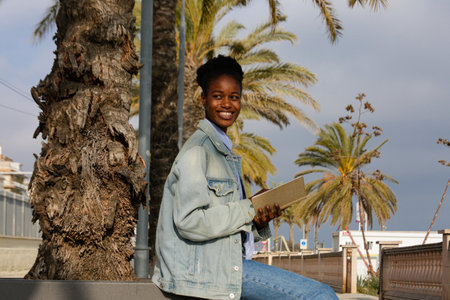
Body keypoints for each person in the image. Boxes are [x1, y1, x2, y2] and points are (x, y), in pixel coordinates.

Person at [152, 55, 338, 300]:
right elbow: (190, 221)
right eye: (218, 96)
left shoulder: (223, 152)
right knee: (320, 296)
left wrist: (258, 220)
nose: (227, 104)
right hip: (205, 273)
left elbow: (227, 221)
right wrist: (248, 208)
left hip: (223, 267)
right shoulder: (198, 152)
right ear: (203, 99)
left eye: (234, 97)